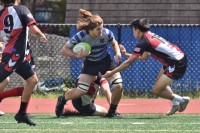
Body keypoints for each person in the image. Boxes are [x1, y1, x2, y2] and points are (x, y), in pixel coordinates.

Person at [103, 18, 190, 115]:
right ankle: (175, 103)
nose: (133, 33)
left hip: (177, 62)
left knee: (156, 90)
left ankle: (181, 100)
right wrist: (126, 54)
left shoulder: (145, 42)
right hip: (173, 60)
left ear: (137, 30)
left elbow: (129, 62)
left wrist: (112, 72)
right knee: (159, 82)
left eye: (133, 30)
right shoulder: (149, 36)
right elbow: (143, 57)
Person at [55, 8, 123, 118]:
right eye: (98, 29)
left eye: (102, 28)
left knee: (118, 86)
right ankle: (62, 99)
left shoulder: (106, 33)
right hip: (90, 64)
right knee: (81, 90)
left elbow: (114, 43)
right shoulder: (81, 36)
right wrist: (76, 55)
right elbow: (65, 49)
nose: (101, 31)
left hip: (105, 61)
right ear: (90, 29)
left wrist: (118, 53)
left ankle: (112, 111)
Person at [0, 0, 47, 126]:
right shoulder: (21, 9)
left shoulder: (1, 13)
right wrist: (42, 35)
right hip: (14, 55)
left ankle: (21, 113)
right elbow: (33, 29)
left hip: (16, 56)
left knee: (32, 80)